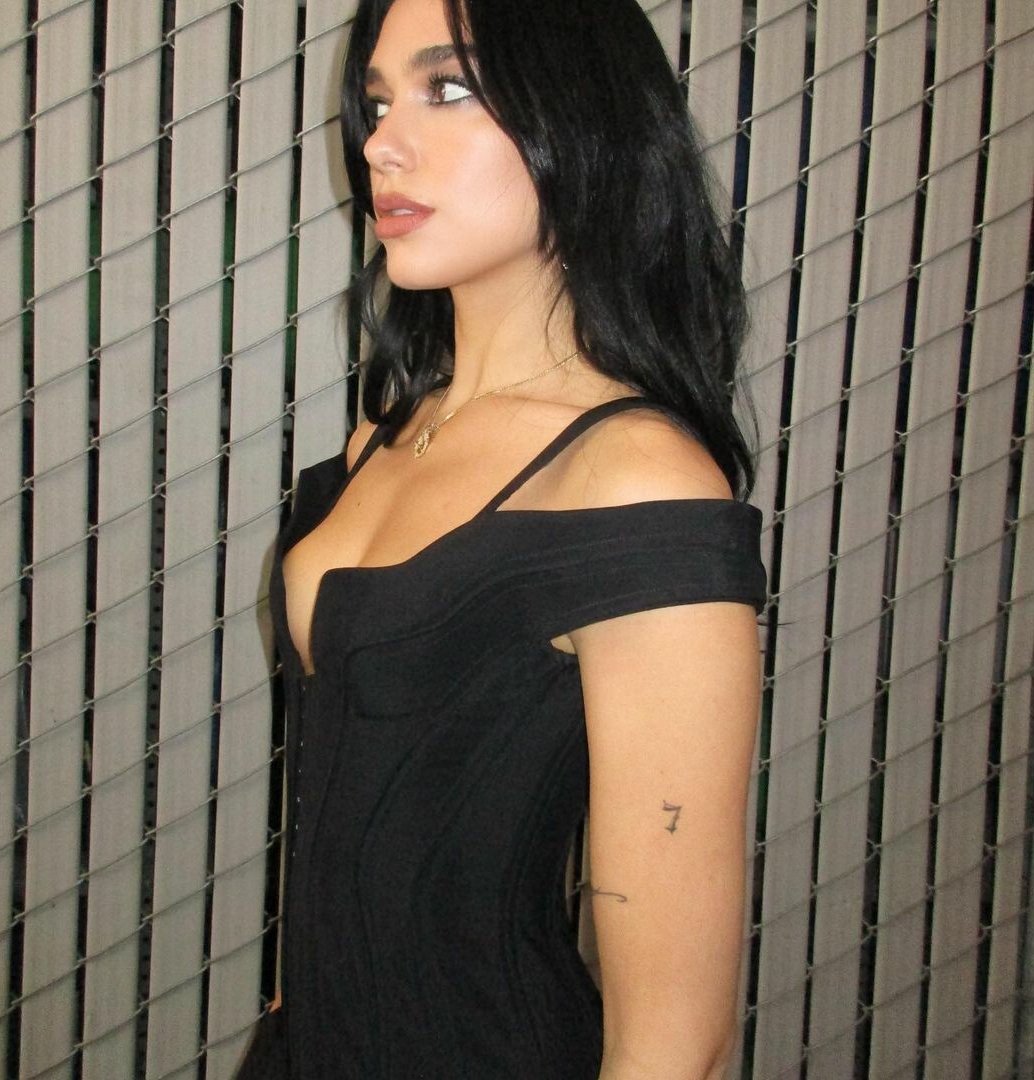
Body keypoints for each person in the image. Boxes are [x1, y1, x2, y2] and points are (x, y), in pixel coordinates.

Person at [236, 0, 767, 1075]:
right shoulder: (386, 434)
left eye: (448, 88)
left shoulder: (636, 483)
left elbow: (678, 1043)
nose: (380, 143)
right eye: (377, 102)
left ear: (584, 119)